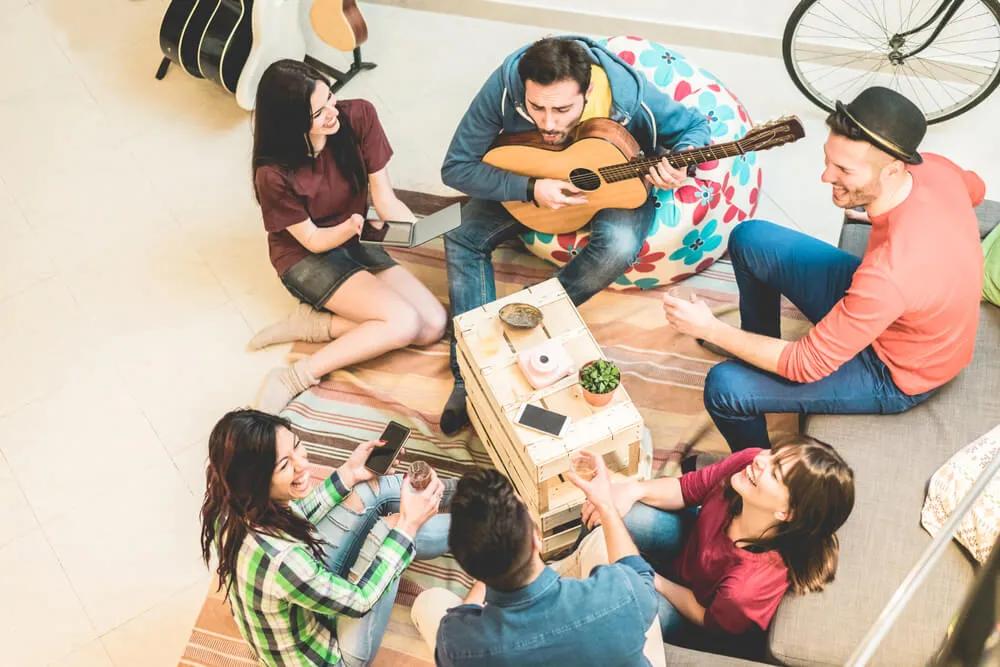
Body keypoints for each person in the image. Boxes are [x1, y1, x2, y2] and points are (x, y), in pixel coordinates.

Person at [662, 86, 986, 451]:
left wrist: (711, 329)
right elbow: (976, 189)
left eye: (844, 170)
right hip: (896, 313)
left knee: (726, 387)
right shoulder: (935, 168)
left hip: (897, 371)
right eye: (828, 160)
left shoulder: (890, 274)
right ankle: (758, 351)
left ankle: (759, 467)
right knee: (750, 238)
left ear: (894, 169)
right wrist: (874, 208)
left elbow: (806, 365)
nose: (824, 176)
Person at [439, 36, 711, 434]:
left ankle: (530, 319)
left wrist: (680, 164)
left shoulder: (627, 93)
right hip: (535, 181)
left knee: (618, 245)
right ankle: (470, 377)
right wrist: (530, 188)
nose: (548, 123)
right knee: (460, 234)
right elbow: (456, 167)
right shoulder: (505, 84)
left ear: (588, 93)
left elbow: (694, 125)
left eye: (563, 109)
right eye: (536, 108)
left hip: (617, 186)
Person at [247, 60, 447, 414]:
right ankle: (294, 376)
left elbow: (385, 198)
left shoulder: (358, 117)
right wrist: (347, 228)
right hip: (306, 256)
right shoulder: (273, 173)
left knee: (432, 325)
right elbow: (310, 240)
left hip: (354, 237)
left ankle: (319, 325)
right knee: (402, 322)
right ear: (291, 124)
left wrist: (416, 232)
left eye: (330, 98)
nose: (332, 113)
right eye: (318, 112)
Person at [199, 408, 451, 667]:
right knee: (392, 530)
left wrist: (350, 472)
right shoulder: (284, 561)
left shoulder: (231, 506)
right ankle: (469, 523)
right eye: (286, 464)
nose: (303, 464)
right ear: (257, 482)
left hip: (304, 604)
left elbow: (299, 517)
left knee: (367, 488)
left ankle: (454, 496)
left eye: (297, 446)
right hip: (331, 657)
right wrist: (408, 526)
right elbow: (360, 601)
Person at [586, 436, 854, 659]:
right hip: (689, 551)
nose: (760, 459)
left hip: (695, 616)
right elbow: (685, 489)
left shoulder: (746, 588)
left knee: (627, 599)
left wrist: (650, 577)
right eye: (774, 454)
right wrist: (633, 489)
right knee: (627, 511)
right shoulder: (747, 465)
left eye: (775, 472)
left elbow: (705, 617)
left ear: (787, 512)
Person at [422, 459, 664, 667]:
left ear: (469, 568)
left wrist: (488, 565)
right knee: (602, 538)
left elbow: (459, 629)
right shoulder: (619, 593)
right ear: (537, 537)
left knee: (427, 603)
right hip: (606, 619)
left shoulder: (456, 643)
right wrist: (606, 505)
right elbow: (641, 576)